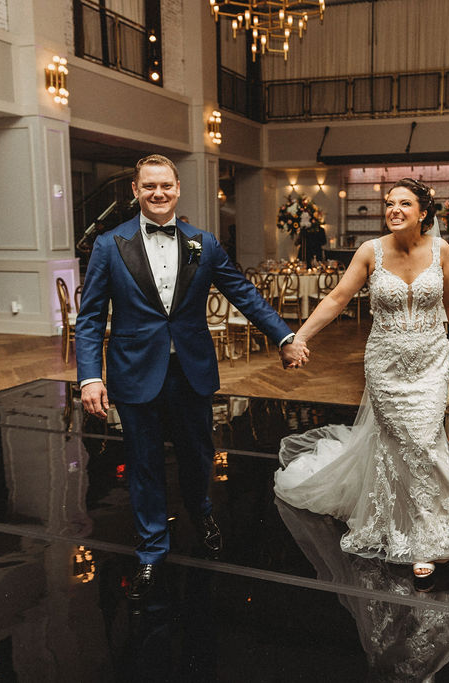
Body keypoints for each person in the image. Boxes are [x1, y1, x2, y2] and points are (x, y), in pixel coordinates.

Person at [76, 154, 309, 600]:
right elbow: (89, 319)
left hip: (191, 370)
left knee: (198, 454)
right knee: (143, 464)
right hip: (133, 372)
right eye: (149, 187)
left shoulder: (204, 243)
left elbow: (243, 292)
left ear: (178, 188)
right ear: (136, 192)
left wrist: (284, 336)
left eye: (166, 186)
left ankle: (201, 509)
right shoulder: (108, 245)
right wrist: (90, 376)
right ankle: (150, 551)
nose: (158, 194)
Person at [274, 178, 449, 585]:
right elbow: (336, 298)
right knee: (403, 442)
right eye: (389, 203)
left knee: (422, 439)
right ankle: (418, 533)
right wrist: (300, 337)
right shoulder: (370, 252)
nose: (394, 209)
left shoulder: (441, 250)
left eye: (404, 203)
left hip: (431, 360)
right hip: (385, 363)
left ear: (423, 212)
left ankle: (423, 526)